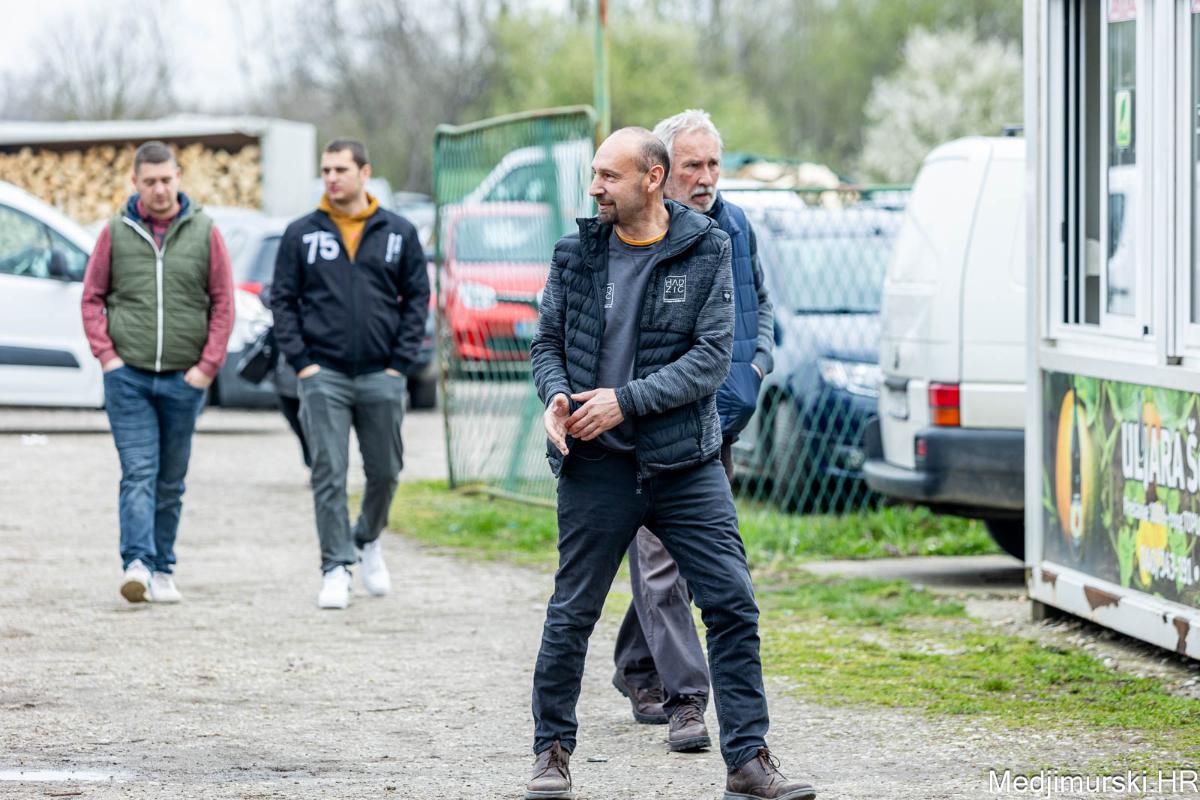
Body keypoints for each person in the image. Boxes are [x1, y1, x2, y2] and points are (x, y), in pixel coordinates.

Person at [526, 127, 813, 800]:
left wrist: (624, 402)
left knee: (733, 605)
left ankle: (747, 761)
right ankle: (551, 753)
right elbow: (546, 344)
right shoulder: (575, 253)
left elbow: (711, 359)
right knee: (572, 612)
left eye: (609, 176)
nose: (595, 188)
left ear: (651, 180)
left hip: (686, 464)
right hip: (596, 466)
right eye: (595, 174)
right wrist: (557, 395)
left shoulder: (707, 247)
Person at [610, 109, 775, 754]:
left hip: (720, 420)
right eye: (691, 166)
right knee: (659, 564)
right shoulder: (637, 236)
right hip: (653, 428)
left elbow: (760, 304)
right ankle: (686, 700)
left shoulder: (736, 226)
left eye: (713, 164)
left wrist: (757, 366)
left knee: (690, 557)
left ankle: (636, 666)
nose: (706, 177)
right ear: (659, 174)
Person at [269, 138, 429, 610]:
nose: (332, 178)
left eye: (340, 169)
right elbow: (282, 301)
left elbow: (417, 299)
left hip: (382, 373)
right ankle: (335, 567)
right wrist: (303, 363)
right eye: (326, 170)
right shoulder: (302, 233)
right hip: (324, 375)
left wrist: (399, 365)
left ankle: (366, 539)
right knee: (328, 472)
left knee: (386, 471)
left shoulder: (398, 231)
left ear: (364, 172)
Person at [81, 140, 234, 604]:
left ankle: (163, 567)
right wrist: (108, 357)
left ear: (178, 177)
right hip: (128, 377)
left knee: (170, 480)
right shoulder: (115, 232)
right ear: (135, 183)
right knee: (138, 471)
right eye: (150, 182)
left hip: (184, 379)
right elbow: (92, 297)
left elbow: (224, 303)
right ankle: (137, 565)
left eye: (166, 179)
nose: (160, 189)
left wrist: (207, 367)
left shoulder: (206, 232)